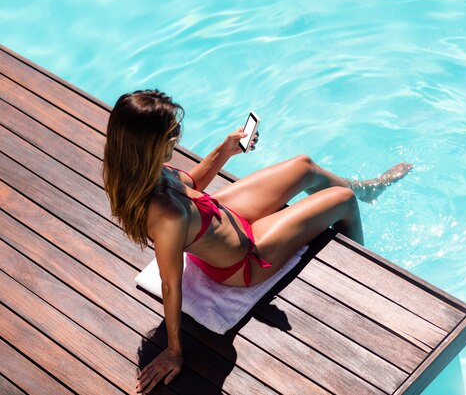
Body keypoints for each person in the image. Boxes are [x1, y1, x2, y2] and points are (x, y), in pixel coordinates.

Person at [102, 89, 412, 393]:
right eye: (172, 132)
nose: (178, 136)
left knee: (303, 165)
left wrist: (225, 148)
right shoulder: (167, 214)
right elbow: (171, 284)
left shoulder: (138, 170)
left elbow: (191, 183)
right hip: (244, 259)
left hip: (218, 214)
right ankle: (363, 269)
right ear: (148, 142)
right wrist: (173, 350)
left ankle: (367, 190)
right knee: (342, 200)